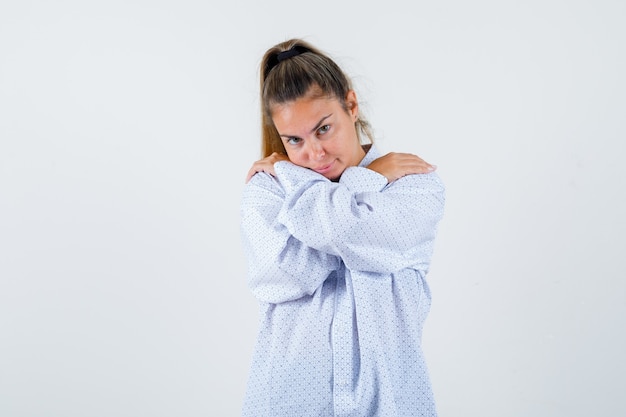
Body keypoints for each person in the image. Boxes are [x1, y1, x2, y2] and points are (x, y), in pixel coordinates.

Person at [240, 38, 446, 417]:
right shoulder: (267, 188)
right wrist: (366, 183)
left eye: (323, 129)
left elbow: (347, 237)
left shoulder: (413, 183)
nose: (314, 154)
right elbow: (283, 274)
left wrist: (307, 197)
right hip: (290, 400)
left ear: (350, 106)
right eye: (294, 140)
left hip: (389, 403)